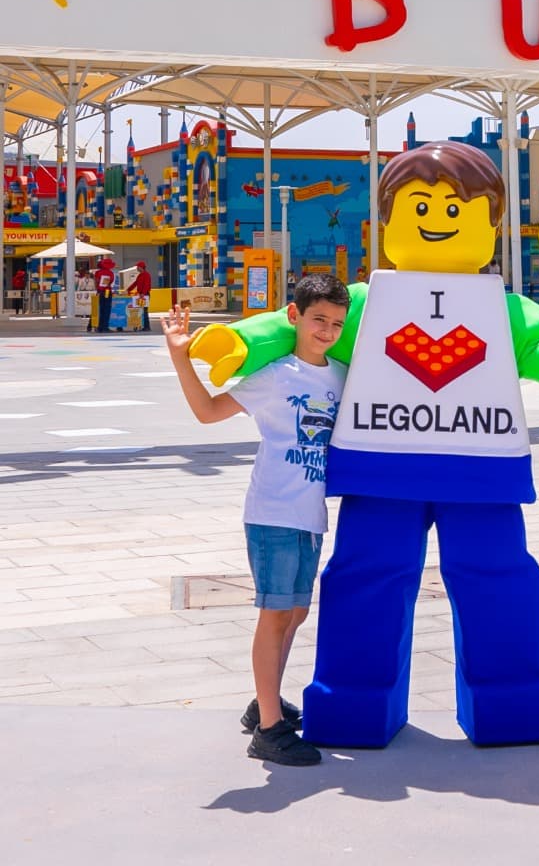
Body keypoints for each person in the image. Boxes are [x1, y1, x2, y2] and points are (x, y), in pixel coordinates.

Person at [188, 142, 539, 750]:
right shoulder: (365, 304)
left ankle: (509, 699)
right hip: (384, 470)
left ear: (491, 226)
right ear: (390, 222)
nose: (438, 218)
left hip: (479, 472)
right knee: (369, 577)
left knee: (496, 578)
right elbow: (292, 326)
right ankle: (353, 698)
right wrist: (241, 343)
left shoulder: (502, 309)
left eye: (457, 208)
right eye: (421, 206)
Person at [163, 273, 351, 767]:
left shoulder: (341, 375)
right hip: (273, 511)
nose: (327, 331)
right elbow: (207, 412)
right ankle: (268, 730)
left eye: (336, 323)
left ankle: (263, 702)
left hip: (311, 514)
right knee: (275, 614)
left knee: (296, 612)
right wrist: (180, 357)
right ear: (294, 316)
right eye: (318, 320)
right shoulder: (274, 376)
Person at [93, 256, 116, 334]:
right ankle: (105, 327)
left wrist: (98, 289)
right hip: (107, 292)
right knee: (107, 309)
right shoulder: (110, 273)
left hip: (100, 292)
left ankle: (100, 327)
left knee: (101, 309)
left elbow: (96, 282)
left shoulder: (97, 273)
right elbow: (111, 282)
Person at [132, 260, 152, 333]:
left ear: (141, 267)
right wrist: (128, 290)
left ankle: (147, 326)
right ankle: (141, 325)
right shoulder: (140, 275)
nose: (137, 268)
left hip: (144, 295)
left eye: (138, 267)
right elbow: (135, 283)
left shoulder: (146, 275)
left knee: (144, 311)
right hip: (140, 295)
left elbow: (147, 285)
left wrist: (143, 293)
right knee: (140, 311)